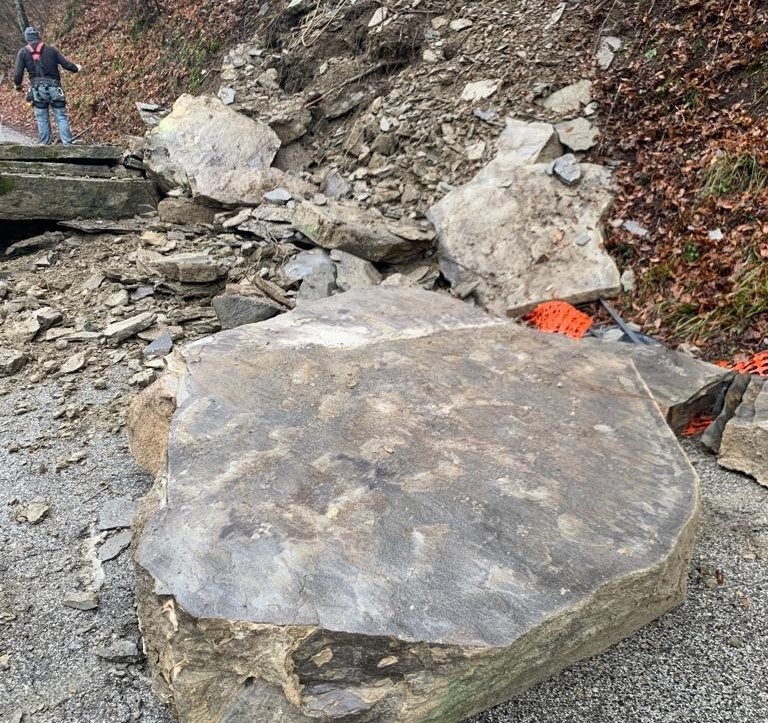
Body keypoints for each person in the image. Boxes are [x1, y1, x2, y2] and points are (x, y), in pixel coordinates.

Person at [13, 27, 81, 145]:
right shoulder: (51, 50)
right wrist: (76, 68)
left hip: (37, 90)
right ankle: (68, 145)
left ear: (27, 39)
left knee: (42, 119)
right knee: (61, 117)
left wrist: (17, 85)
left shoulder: (23, 52)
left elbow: (18, 74)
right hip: (55, 88)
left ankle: (45, 146)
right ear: (38, 37)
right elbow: (66, 64)